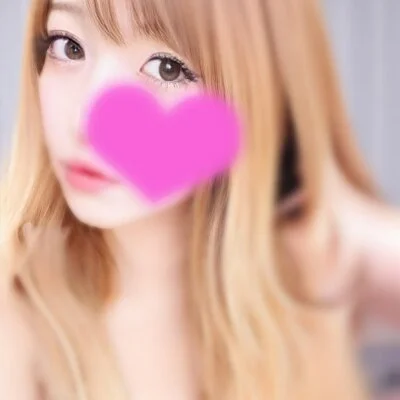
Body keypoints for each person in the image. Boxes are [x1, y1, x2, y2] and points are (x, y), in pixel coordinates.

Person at [0, 0, 399, 399]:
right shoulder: (17, 298)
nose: (86, 123)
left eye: (167, 69)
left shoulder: (304, 284)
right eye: (68, 46)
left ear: (264, 99)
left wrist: (356, 233)